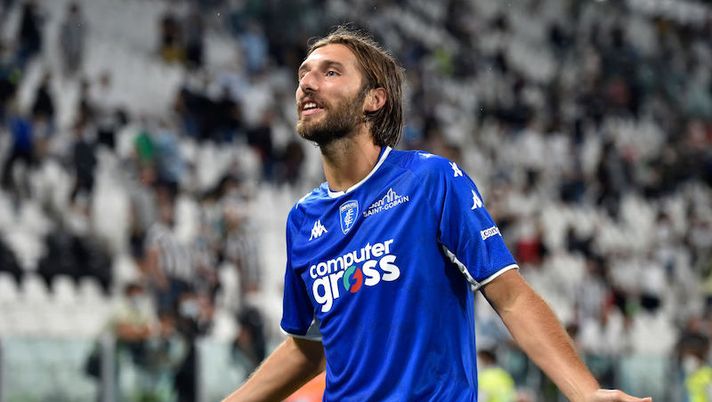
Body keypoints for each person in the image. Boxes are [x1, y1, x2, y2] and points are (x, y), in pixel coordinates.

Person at [223, 26, 652, 402]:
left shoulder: (430, 180)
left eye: (330, 72)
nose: (307, 83)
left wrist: (585, 391)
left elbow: (510, 294)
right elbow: (309, 346)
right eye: (303, 74)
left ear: (374, 99)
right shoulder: (302, 220)